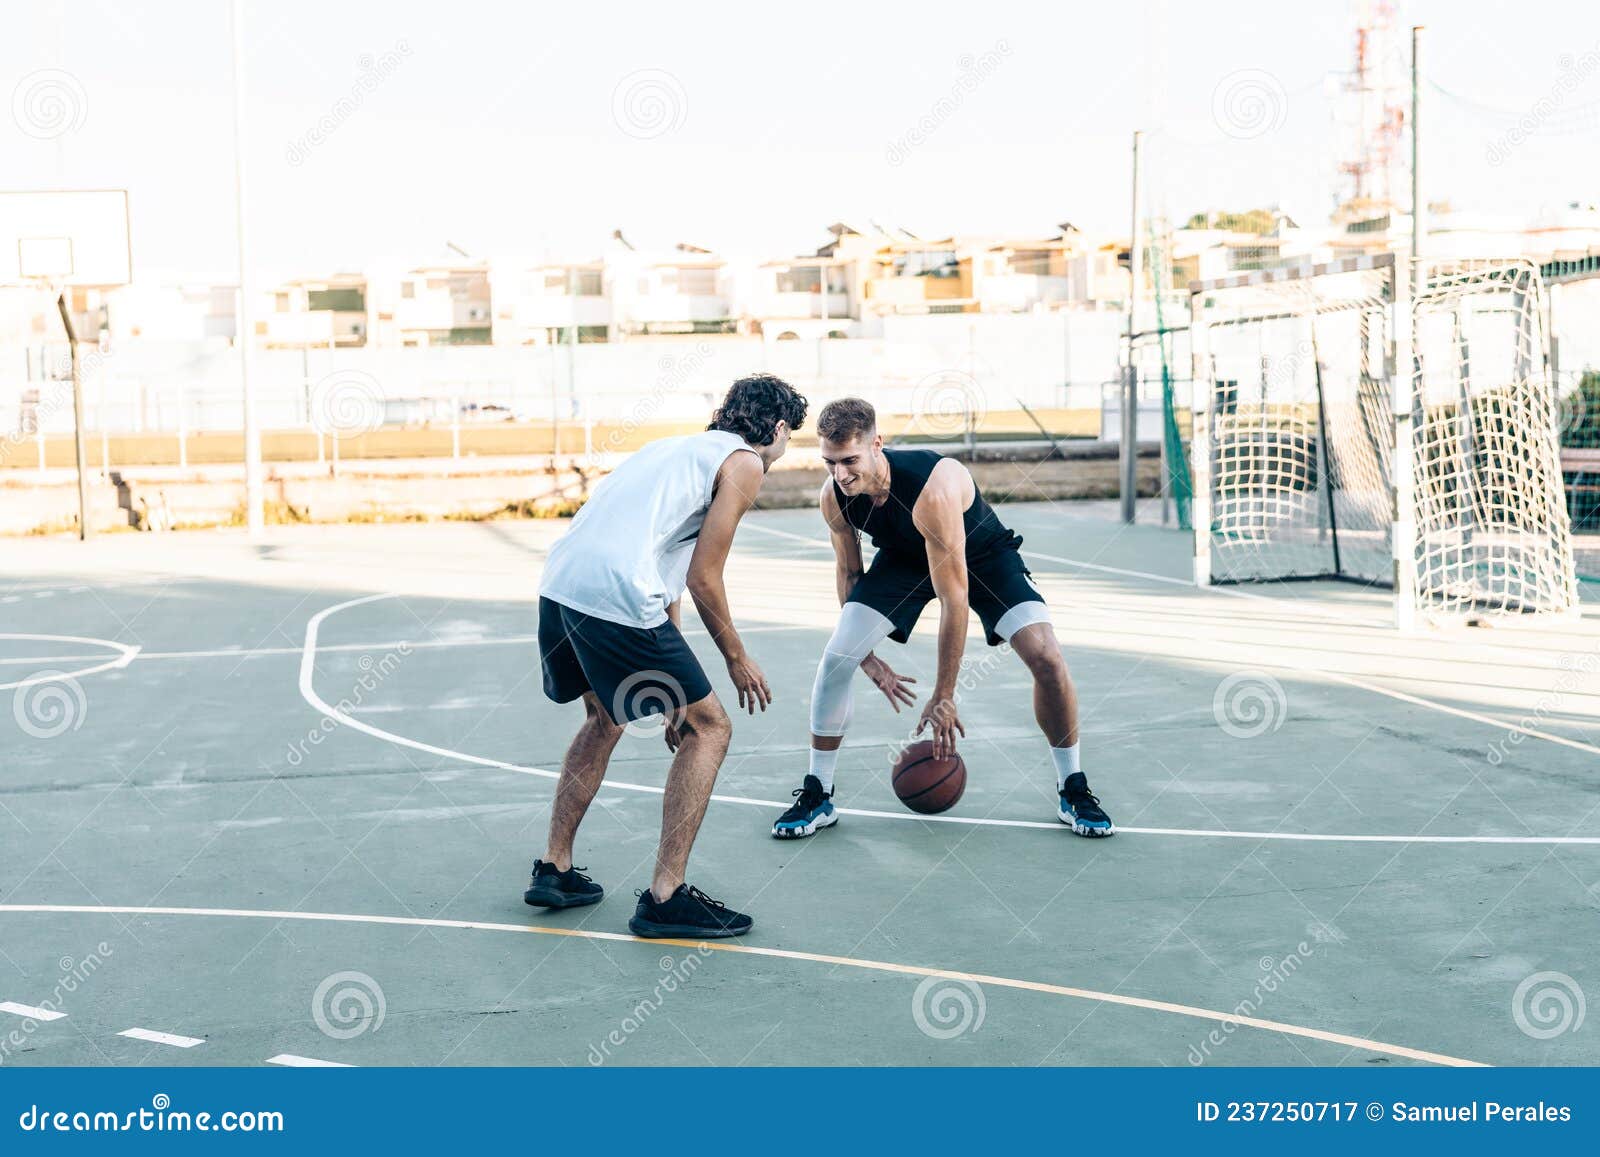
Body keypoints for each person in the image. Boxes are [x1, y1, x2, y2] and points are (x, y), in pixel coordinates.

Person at [530, 373, 808, 938]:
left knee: (604, 720)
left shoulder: (673, 450)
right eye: (789, 436)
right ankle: (666, 896)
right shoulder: (746, 462)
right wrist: (735, 657)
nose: (784, 448)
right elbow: (707, 577)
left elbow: (670, 573)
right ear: (777, 429)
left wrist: (669, 689)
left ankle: (554, 869)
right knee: (711, 729)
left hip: (560, 585)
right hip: (614, 596)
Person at [772, 397, 1112, 840]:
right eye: (829, 462)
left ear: (878, 444)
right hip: (903, 561)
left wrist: (944, 696)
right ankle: (818, 792)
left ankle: (1073, 786)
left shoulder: (931, 488)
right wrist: (868, 661)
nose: (840, 473)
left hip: (983, 557)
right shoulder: (834, 497)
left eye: (850, 460)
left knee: (1046, 657)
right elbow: (850, 573)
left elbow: (955, 599)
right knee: (838, 658)